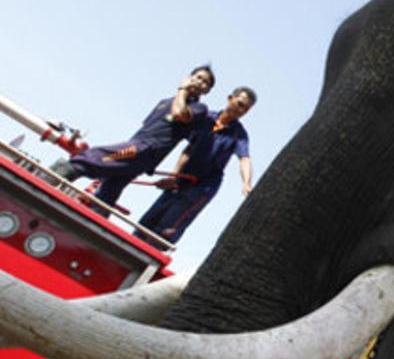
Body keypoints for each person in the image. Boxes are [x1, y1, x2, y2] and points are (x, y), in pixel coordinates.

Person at [52, 66, 215, 209]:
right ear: (190, 77)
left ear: (206, 90)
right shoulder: (165, 102)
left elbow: (179, 114)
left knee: (91, 158)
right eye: (198, 77)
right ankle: (94, 219)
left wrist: (182, 90)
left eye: (205, 82)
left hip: (144, 149)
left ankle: (44, 181)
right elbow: (146, 129)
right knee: (109, 190)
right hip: (137, 147)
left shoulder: (199, 108)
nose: (199, 82)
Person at [138, 86, 256, 244]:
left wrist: (247, 183)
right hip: (181, 178)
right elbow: (187, 149)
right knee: (149, 219)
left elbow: (244, 159)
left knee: (167, 227)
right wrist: (174, 176)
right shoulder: (205, 118)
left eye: (246, 110)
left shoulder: (239, 134)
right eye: (240, 104)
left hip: (203, 186)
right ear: (230, 98)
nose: (241, 111)